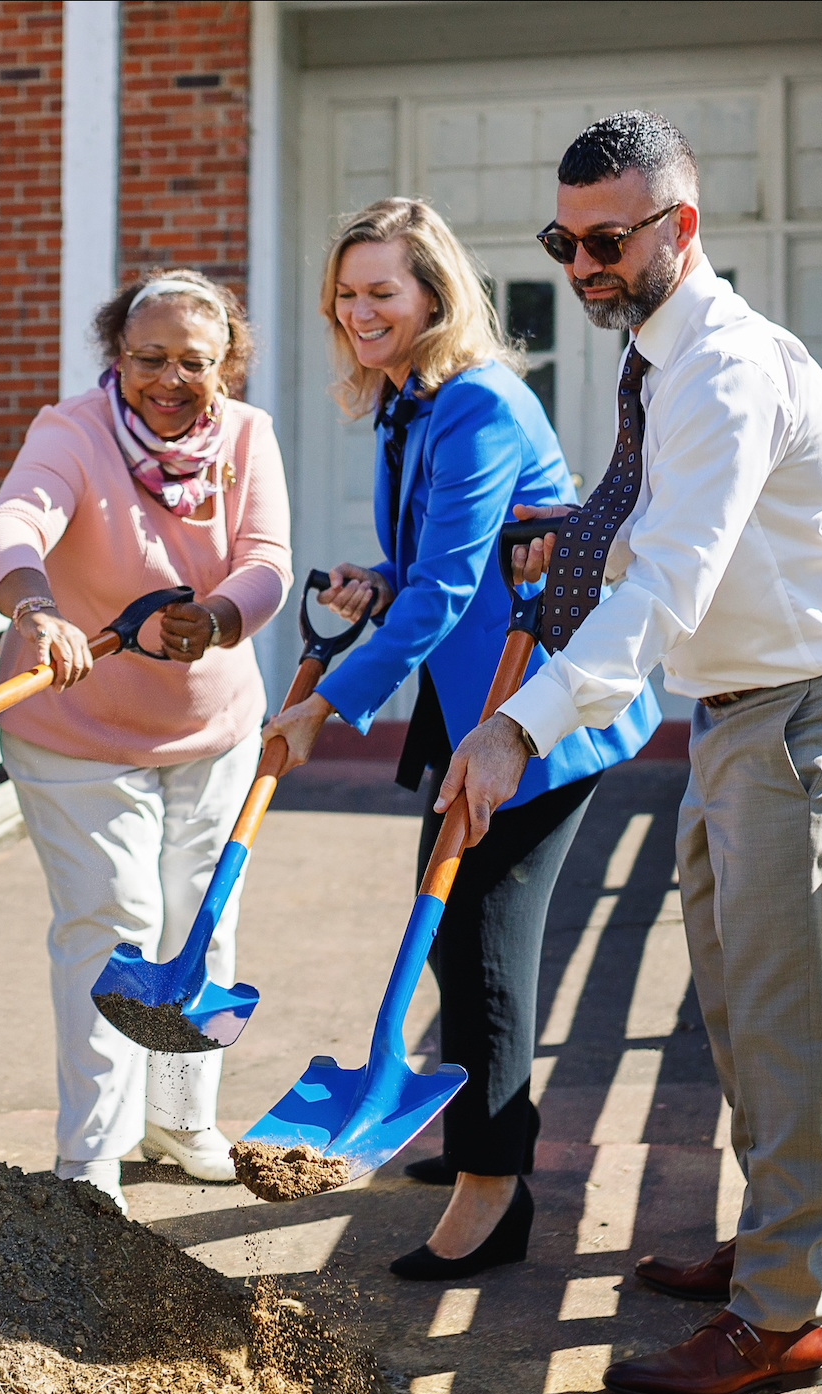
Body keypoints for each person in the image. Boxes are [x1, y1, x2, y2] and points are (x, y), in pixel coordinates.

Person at [434, 112, 822, 1394]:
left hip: (805, 711)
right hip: (737, 714)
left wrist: (520, 720)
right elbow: (635, 517)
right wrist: (566, 529)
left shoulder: (725, 369)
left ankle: (781, 1318)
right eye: (561, 240)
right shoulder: (652, 352)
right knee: (732, 1003)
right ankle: (773, 1250)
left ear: (678, 228)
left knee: (780, 1018)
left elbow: (667, 591)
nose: (580, 265)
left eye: (604, 240)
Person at [263, 198, 659, 1279]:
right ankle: (468, 1138)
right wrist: (372, 584)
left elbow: (445, 592)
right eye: (345, 294)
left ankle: (494, 1193)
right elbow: (441, 569)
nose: (357, 311)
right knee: (448, 931)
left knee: (485, 937)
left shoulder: (478, 405)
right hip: (467, 691)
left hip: (536, 704)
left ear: (433, 295)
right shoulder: (409, 404)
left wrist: (326, 703)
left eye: (380, 291)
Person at [0, 269, 293, 1214]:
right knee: (112, 926)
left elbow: (267, 562)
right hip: (74, 729)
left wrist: (223, 618)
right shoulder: (69, 433)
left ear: (224, 364)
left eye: (191, 362)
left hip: (213, 726)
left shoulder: (246, 436)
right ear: (117, 354)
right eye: (147, 358)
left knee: (201, 924)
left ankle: (179, 1115)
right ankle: (92, 1158)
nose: (167, 379)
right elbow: (12, 522)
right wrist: (34, 607)